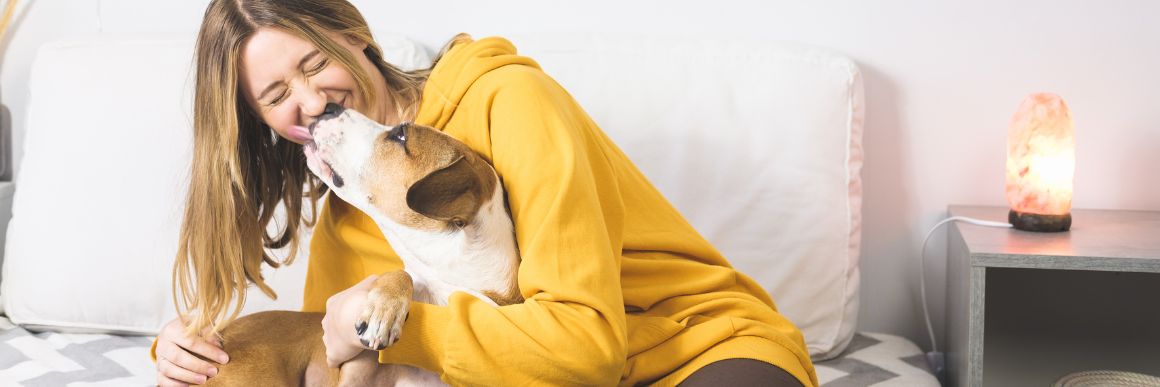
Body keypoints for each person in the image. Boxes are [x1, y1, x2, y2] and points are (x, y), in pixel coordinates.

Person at [152, 0, 818, 386]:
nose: (311, 100)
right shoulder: (349, 214)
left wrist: (398, 331)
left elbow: (586, 344)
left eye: (314, 62)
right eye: (276, 95)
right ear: (261, 122)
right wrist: (189, 352)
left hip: (697, 348)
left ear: (353, 36)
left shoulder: (508, 102)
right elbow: (333, 352)